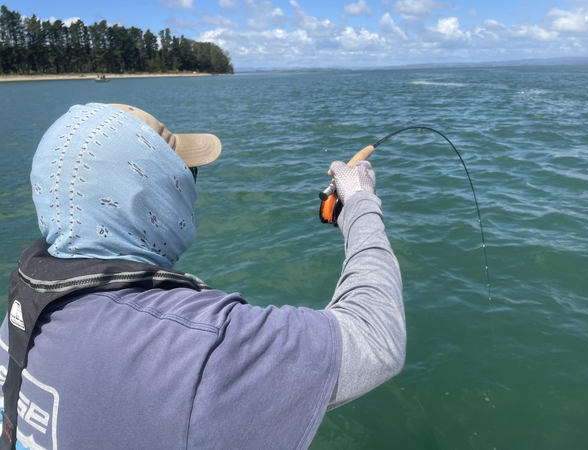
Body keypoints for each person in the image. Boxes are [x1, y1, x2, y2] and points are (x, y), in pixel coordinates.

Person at [0, 103, 405, 449]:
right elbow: (375, 338)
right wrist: (359, 202)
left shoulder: (24, 310)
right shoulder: (198, 347)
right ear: (152, 196)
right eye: (185, 175)